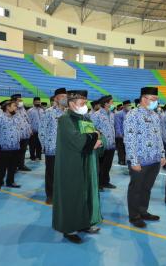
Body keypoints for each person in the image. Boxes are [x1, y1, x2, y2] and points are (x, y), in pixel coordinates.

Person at [52, 90, 103, 244]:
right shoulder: (65, 120)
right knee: (71, 196)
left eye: (85, 103)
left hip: (86, 163)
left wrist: (98, 139)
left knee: (85, 195)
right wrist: (95, 138)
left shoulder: (84, 118)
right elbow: (76, 140)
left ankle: (84, 223)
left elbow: (98, 135)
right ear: (72, 104)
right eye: (82, 103)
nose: (85, 106)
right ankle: (69, 228)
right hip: (71, 164)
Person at [124, 87, 166, 228]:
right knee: (136, 189)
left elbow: (158, 137)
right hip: (140, 161)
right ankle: (134, 216)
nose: (156, 102)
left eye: (156, 100)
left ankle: (143, 211)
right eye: (153, 99)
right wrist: (134, 161)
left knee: (146, 188)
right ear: (144, 99)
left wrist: (162, 154)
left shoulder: (155, 115)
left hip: (154, 160)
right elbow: (129, 139)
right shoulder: (133, 115)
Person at [39, 88, 67, 204]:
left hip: (66, 149)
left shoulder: (68, 113)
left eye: (66, 96)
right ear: (56, 98)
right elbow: (42, 130)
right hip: (52, 148)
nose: (65, 98)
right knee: (51, 173)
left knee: (64, 173)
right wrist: (44, 146)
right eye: (62, 96)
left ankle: (62, 193)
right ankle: (50, 195)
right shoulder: (49, 112)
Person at [0, 100, 21, 192]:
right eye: (14, 106)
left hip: (15, 146)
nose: (16, 107)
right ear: (8, 107)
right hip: (4, 147)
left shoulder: (16, 118)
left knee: (13, 166)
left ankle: (10, 181)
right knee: (1, 167)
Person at [91, 95, 117, 190]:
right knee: (100, 165)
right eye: (111, 102)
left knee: (107, 165)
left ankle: (105, 182)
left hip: (111, 144)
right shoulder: (96, 115)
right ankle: (98, 184)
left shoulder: (111, 114)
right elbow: (92, 129)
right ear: (106, 103)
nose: (113, 104)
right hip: (102, 145)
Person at [11, 94, 32, 171]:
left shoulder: (22, 109)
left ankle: (21, 165)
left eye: (21, 100)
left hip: (25, 134)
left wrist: (30, 129)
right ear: (14, 101)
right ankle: (14, 167)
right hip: (16, 135)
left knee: (22, 151)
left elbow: (27, 119)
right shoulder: (11, 109)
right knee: (15, 152)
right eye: (19, 100)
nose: (21, 102)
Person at [27, 97, 44, 161]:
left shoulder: (42, 110)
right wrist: (30, 130)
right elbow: (28, 121)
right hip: (33, 131)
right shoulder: (30, 111)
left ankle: (38, 156)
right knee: (32, 145)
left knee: (39, 144)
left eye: (39, 102)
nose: (38, 103)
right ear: (33, 102)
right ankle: (32, 156)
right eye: (36, 102)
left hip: (40, 131)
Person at [114, 100, 131, 165]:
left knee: (128, 149)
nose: (129, 106)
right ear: (123, 106)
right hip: (121, 135)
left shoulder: (130, 113)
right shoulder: (119, 114)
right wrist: (120, 134)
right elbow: (117, 125)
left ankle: (127, 160)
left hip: (129, 134)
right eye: (128, 105)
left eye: (130, 105)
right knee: (121, 149)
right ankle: (121, 160)